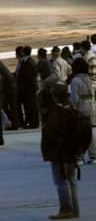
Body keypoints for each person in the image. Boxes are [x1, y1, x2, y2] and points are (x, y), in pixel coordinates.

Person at [43, 83, 81, 220]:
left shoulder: (57, 112)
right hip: (71, 151)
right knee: (71, 181)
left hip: (61, 153)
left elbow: (53, 133)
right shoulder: (71, 108)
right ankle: (75, 210)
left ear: (54, 96)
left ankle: (66, 209)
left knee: (61, 182)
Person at [69, 57, 96, 164]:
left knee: (79, 133)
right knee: (90, 132)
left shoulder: (75, 80)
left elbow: (74, 98)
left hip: (81, 108)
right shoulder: (88, 78)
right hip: (91, 107)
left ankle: (79, 157)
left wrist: (73, 110)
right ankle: (93, 155)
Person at [0, 50, 18, 131]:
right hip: (10, 88)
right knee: (10, 107)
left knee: (9, 107)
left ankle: (13, 125)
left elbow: (3, 80)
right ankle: (13, 124)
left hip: (9, 89)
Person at [17, 45, 39, 128]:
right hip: (28, 88)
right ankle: (31, 122)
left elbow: (30, 77)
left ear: (23, 52)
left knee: (31, 106)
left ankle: (33, 123)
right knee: (29, 106)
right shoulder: (28, 61)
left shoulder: (28, 62)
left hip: (28, 89)